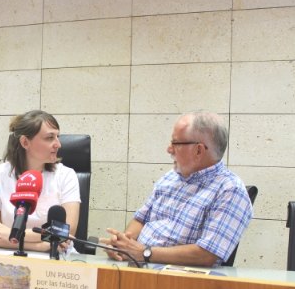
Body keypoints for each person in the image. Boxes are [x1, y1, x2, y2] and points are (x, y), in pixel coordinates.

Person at [101, 111, 252, 267]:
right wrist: (124, 245)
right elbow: (141, 219)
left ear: (199, 150)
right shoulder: (170, 177)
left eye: (176, 143)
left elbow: (207, 255)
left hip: (179, 278)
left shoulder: (230, 190)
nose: (169, 149)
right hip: (139, 268)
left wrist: (144, 253)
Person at [0, 110, 80, 251]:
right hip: (10, 256)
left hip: (57, 259)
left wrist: (9, 233)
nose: (58, 144)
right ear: (25, 142)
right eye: (49, 138)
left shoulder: (66, 175)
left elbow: (66, 233)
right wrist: (42, 246)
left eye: (57, 137)